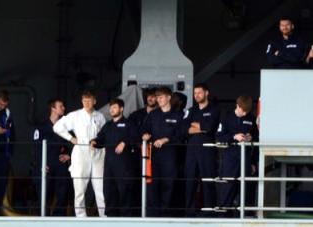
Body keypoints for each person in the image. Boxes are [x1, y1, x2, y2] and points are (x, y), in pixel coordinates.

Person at [54, 90, 108, 218]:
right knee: (79, 188)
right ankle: (81, 217)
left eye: (89, 100)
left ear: (94, 101)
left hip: (97, 152)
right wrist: (71, 138)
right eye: (84, 100)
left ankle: (104, 217)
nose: (87, 103)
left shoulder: (100, 116)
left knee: (100, 188)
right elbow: (57, 127)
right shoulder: (75, 115)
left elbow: (104, 134)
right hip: (81, 151)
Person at [141, 86, 186, 216]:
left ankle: (167, 213)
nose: (158, 100)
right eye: (157, 97)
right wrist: (145, 135)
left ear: (168, 97)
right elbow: (144, 129)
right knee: (153, 184)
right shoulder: (153, 114)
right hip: (154, 155)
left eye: (161, 97)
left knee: (169, 184)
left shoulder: (178, 115)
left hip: (171, 155)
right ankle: (153, 214)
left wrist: (166, 139)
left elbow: (182, 134)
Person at [93, 98, 139, 217]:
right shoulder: (107, 125)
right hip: (109, 166)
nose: (112, 110)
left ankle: (126, 218)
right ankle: (110, 217)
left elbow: (136, 138)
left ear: (121, 109)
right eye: (111, 107)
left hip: (125, 166)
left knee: (125, 192)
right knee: (109, 191)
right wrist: (93, 142)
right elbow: (100, 139)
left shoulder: (130, 123)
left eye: (115, 107)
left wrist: (124, 143)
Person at [216, 95, 259, 213]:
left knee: (247, 189)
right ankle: (223, 216)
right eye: (243, 111)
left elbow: (257, 139)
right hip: (230, 158)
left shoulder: (251, 119)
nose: (245, 114)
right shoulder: (226, 117)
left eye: (247, 111)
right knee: (227, 188)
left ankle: (246, 216)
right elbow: (219, 137)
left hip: (246, 159)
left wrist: (251, 138)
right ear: (237, 106)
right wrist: (234, 137)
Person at [183, 83, 220, 217]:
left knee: (208, 180)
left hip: (207, 150)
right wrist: (200, 127)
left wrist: (195, 125)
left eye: (199, 92)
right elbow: (183, 128)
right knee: (190, 180)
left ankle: (209, 210)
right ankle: (190, 211)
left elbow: (209, 128)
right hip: (192, 150)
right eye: (195, 93)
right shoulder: (191, 110)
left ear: (206, 93)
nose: (196, 95)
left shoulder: (215, 109)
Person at [32, 98, 72, 216]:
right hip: (46, 165)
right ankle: (42, 221)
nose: (63, 108)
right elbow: (36, 148)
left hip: (61, 165)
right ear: (53, 108)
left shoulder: (66, 127)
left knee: (62, 195)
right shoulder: (42, 127)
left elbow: (75, 142)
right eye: (61, 106)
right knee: (44, 195)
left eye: (63, 106)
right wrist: (41, 164)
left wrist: (69, 156)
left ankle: (59, 220)